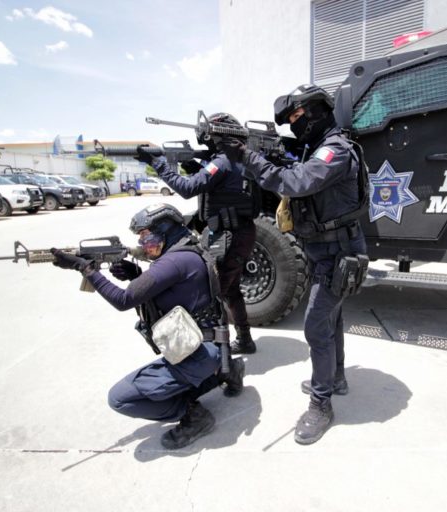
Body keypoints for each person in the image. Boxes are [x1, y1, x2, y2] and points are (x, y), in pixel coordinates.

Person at [220, 84, 368, 445]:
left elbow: (296, 182)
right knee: (331, 320)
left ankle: (321, 404)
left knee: (316, 327)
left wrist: (247, 156)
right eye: (289, 120)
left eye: (297, 116)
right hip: (325, 250)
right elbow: (296, 170)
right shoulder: (318, 149)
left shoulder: (335, 149)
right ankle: (336, 378)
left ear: (319, 111)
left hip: (338, 253)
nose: (294, 124)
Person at [50, 203, 245, 450]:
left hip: (195, 354)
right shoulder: (188, 251)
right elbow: (173, 291)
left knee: (119, 399)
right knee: (170, 381)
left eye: (146, 237)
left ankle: (194, 416)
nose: (144, 244)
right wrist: (135, 275)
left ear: (166, 230)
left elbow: (123, 300)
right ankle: (225, 371)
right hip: (210, 345)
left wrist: (85, 268)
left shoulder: (173, 262)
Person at [140, 113, 259, 355]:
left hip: (228, 236)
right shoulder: (240, 159)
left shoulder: (222, 161)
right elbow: (218, 184)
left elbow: (187, 188)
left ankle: (218, 356)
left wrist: (158, 163)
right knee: (231, 290)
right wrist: (193, 165)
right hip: (240, 233)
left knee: (212, 295)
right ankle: (244, 340)